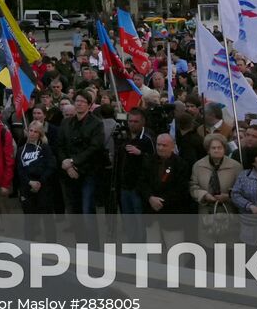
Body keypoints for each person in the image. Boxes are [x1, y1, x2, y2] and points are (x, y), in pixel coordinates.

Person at [57, 93, 105, 237]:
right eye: (77, 101)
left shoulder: (96, 124)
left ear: (89, 105)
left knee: (87, 211)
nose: (79, 104)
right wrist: (67, 165)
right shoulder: (66, 123)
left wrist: (73, 161)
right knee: (75, 212)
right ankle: (80, 247)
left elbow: (94, 148)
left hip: (87, 172)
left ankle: (93, 250)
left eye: (83, 101)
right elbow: (60, 146)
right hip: (69, 173)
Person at [190, 134, 242, 242]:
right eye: (213, 148)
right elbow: (193, 186)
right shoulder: (198, 165)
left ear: (224, 149)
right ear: (208, 150)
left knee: (227, 247)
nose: (217, 150)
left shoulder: (235, 166)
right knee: (208, 246)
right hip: (206, 213)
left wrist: (228, 197)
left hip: (228, 212)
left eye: (220, 148)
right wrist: (204, 195)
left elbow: (241, 189)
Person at [116, 108, 154, 243]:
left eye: (135, 121)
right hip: (124, 185)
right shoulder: (124, 136)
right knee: (128, 219)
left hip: (138, 187)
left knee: (139, 220)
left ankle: (142, 245)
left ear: (142, 122)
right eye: (130, 121)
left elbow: (155, 161)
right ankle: (132, 244)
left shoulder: (147, 138)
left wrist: (141, 154)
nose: (132, 124)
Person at [14, 121, 56, 220]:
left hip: (43, 185)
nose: (32, 133)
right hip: (27, 186)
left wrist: (40, 182)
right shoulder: (21, 149)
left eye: (35, 132)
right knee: (29, 218)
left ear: (40, 134)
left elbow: (51, 166)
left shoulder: (44, 148)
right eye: (30, 130)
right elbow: (19, 169)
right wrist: (29, 182)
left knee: (47, 218)